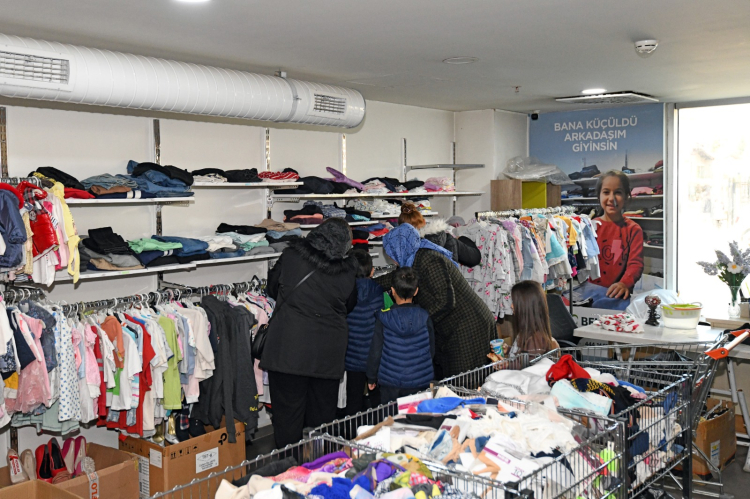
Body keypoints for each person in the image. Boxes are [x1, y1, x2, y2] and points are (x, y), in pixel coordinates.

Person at [260, 218, 358, 448]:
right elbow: (350, 304)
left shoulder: (291, 256)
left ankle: (288, 466)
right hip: (327, 353)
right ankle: (319, 466)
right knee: (322, 420)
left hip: (288, 349)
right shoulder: (348, 269)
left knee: (287, 419)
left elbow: (272, 288)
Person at [377, 223, 496, 377]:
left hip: (468, 327)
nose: (393, 260)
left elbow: (445, 301)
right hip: (455, 326)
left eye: (391, 254)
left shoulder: (429, 259)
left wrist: (417, 321)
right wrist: (366, 283)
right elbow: (396, 278)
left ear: (400, 248)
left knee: (465, 382)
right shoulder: (414, 258)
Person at [367, 267, 435, 403]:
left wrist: (371, 377)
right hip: (420, 381)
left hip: (391, 383)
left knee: (391, 415)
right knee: (417, 415)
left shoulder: (384, 319)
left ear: (392, 291)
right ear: (416, 291)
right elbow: (431, 349)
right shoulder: (424, 317)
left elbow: (376, 352)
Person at [589, 170, 644, 300]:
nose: (611, 198)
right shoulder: (589, 227)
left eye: (618, 192)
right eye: (606, 192)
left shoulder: (633, 230)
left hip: (618, 296)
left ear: (626, 196)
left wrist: (624, 283)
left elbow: (636, 264)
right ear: (599, 196)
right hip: (590, 294)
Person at [343, 249, 384, 415]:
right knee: (378, 401)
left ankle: (353, 429)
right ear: (372, 271)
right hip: (374, 355)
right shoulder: (379, 291)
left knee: (353, 400)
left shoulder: (344, 291)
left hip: (351, 356)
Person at [503, 280, 560, 357]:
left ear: (526, 306)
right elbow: (523, 354)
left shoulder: (535, 341)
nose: (511, 306)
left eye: (514, 302)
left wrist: (504, 363)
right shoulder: (528, 332)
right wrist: (509, 350)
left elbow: (525, 363)